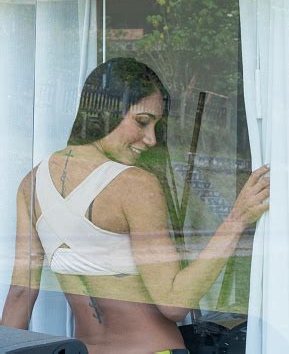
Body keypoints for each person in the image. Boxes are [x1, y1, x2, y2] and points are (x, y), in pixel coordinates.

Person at [2, 57, 269, 354]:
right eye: (142, 122)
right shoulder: (135, 184)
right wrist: (237, 219)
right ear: (106, 111)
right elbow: (174, 303)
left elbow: (20, 294)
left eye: (156, 126)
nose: (152, 139)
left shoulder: (32, 183)